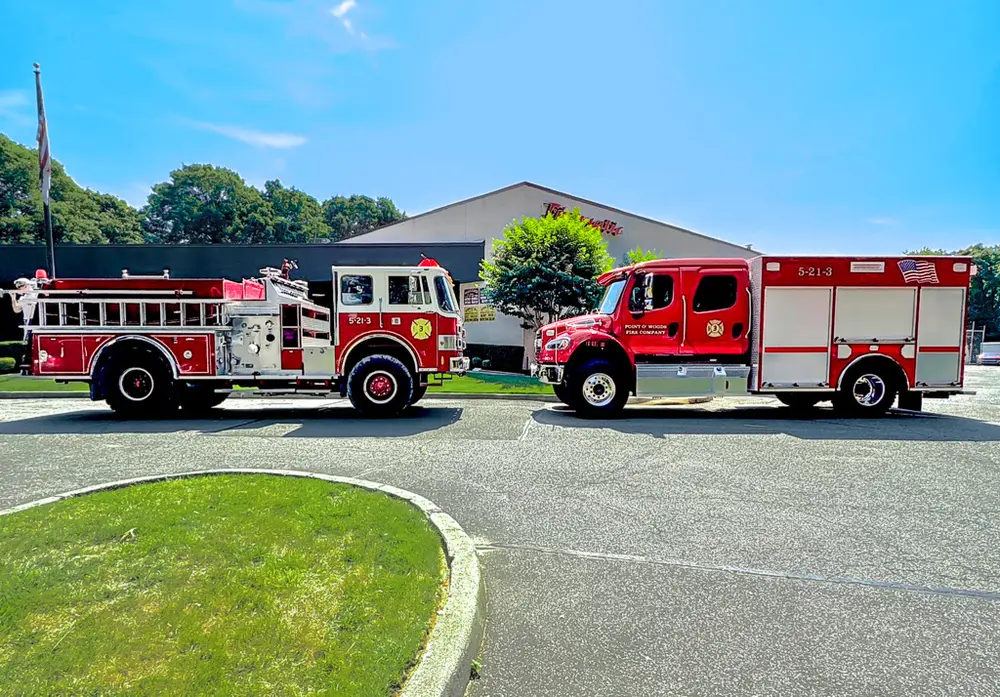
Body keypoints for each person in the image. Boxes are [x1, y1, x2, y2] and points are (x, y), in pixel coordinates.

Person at [9, 277, 38, 344]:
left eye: (19, 287)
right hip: (29, 320)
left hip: (30, 320)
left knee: (27, 341)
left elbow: (16, 309)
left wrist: (13, 298)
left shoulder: (27, 297)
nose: (18, 290)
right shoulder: (32, 294)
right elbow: (17, 310)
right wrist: (13, 298)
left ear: (25, 286)